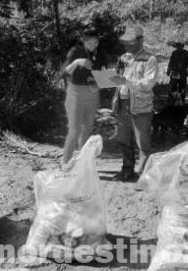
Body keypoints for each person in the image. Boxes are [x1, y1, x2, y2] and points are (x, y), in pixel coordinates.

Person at [110, 25, 159, 181]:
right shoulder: (124, 58)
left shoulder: (149, 59)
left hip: (141, 106)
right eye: (125, 41)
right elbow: (118, 78)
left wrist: (126, 81)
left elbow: (148, 83)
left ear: (140, 41)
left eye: (130, 41)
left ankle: (144, 176)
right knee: (122, 139)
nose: (126, 45)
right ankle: (127, 170)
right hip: (122, 104)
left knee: (142, 143)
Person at [60, 28, 106, 164]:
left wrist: (100, 84)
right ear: (83, 41)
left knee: (87, 129)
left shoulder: (101, 54)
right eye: (90, 44)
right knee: (74, 130)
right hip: (75, 93)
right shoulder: (76, 51)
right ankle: (65, 162)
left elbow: (103, 76)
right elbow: (63, 73)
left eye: (96, 43)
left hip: (92, 94)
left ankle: (82, 163)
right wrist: (77, 62)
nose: (93, 46)